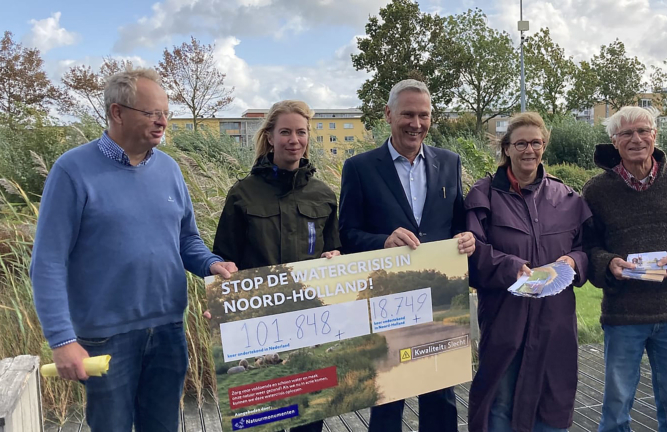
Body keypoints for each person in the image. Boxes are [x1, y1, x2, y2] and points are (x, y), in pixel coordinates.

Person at [29, 68, 237, 432]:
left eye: (165, 113)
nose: (162, 122)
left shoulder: (170, 169)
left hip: (169, 331)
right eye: (152, 113)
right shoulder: (72, 170)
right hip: (105, 339)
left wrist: (210, 264)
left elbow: (186, 239)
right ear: (117, 112)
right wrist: (62, 340)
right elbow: (47, 262)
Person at [338, 79, 475, 432]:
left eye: (424, 115)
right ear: (388, 114)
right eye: (408, 114)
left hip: (438, 297)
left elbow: (459, 224)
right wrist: (382, 241)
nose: (416, 123)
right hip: (386, 299)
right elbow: (347, 235)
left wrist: (468, 239)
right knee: (387, 395)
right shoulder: (359, 168)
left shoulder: (450, 162)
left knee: (441, 396)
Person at [582, 106, 667, 432]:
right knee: (615, 412)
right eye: (627, 133)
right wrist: (608, 263)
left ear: (655, 135)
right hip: (624, 316)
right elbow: (587, 248)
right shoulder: (596, 191)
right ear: (614, 142)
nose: (636, 139)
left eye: (643, 130)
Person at [212, 100, 340, 432]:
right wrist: (220, 302)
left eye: (301, 132)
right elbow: (223, 260)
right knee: (262, 419)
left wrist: (335, 258)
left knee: (308, 417)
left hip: (308, 321)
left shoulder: (324, 195)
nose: (293, 140)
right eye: (285, 132)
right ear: (270, 137)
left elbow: (335, 251)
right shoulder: (243, 194)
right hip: (258, 321)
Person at [464, 112, 592, 432]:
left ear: (544, 146)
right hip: (505, 320)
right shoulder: (484, 196)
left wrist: (575, 261)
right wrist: (510, 267)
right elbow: (471, 252)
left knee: (552, 402)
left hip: (554, 322)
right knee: (501, 403)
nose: (529, 150)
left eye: (536, 143)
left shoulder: (567, 198)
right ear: (506, 148)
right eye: (520, 143)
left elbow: (590, 248)